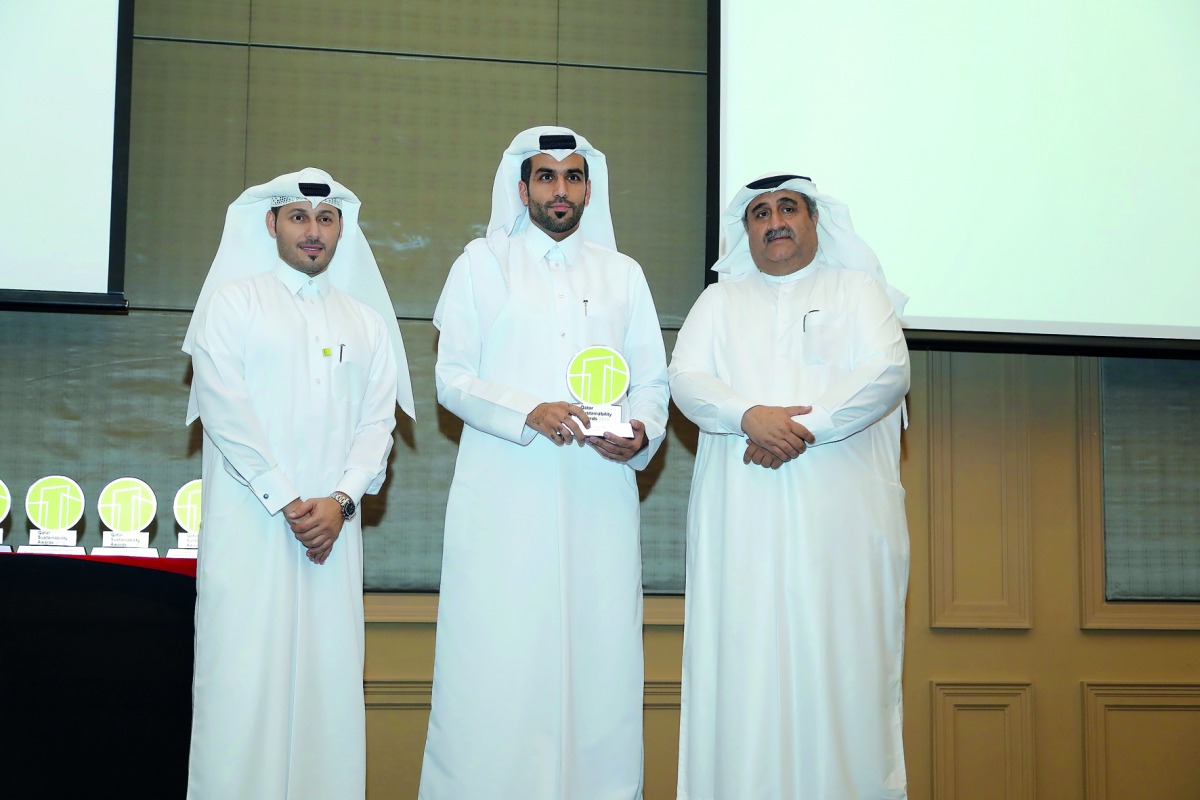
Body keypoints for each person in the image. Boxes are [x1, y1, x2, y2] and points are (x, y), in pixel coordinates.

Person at [419, 127, 670, 799]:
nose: (560, 189)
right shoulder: (481, 263)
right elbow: (453, 378)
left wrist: (641, 432)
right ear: (522, 187)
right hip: (504, 500)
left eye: (573, 176)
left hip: (599, 497)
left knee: (600, 665)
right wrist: (528, 409)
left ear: (590, 188)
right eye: (546, 175)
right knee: (497, 665)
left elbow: (652, 381)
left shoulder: (624, 275)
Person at [670, 173, 911, 799]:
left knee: (842, 672)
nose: (774, 221)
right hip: (740, 518)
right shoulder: (718, 304)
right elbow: (687, 378)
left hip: (842, 527)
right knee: (743, 668)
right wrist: (748, 417)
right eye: (758, 214)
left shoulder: (858, 291)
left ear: (813, 221)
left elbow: (888, 370)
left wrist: (803, 428)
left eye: (787, 208)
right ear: (745, 231)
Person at [181, 167, 415, 800]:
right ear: (271, 225)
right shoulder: (234, 304)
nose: (313, 232)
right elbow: (225, 411)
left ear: (342, 229)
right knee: (241, 685)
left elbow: (378, 426)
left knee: (327, 686)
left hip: (332, 537)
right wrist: (287, 498)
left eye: (326, 219)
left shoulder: (366, 322)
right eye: (299, 218)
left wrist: (340, 502)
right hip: (251, 529)